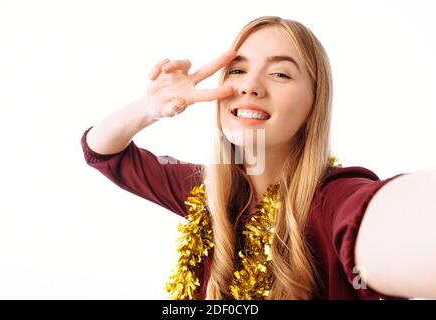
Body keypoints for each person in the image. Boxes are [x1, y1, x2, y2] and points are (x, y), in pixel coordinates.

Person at [81, 16, 436, 300]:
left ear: (313, 104)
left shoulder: (331, 200)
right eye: (238, 70)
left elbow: (400, 222)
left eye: (280, 73)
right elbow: (102, 150)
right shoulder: (205, 192)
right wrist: (150, 108)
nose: (250, 86)